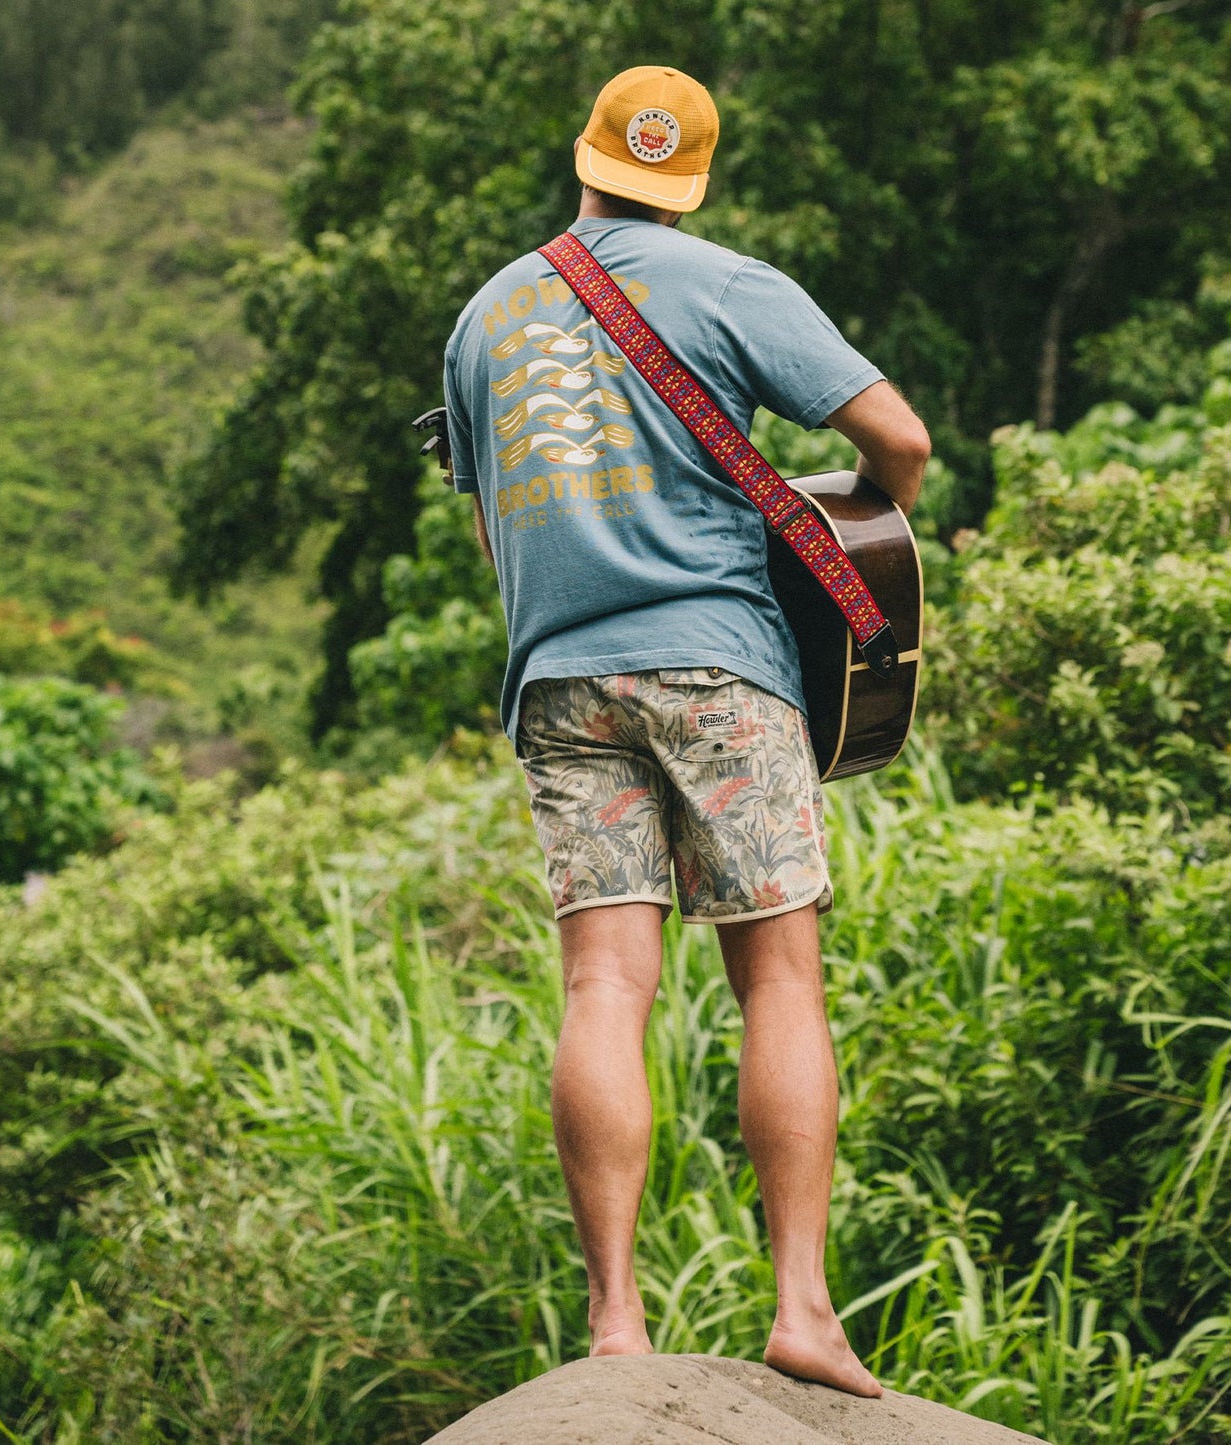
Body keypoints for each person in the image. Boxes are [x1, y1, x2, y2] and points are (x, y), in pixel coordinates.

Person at [442, 64, 930, 1398]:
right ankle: (803, 1310)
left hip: (559, 681)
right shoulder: (728, 283)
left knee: (604, 987)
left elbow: (492, 531)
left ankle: (612, 1323)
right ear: (688, 178)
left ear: (586, 156)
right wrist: (861, 520)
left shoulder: (483, 319)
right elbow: (899, 436)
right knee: (777, 978)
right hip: (719, 667)